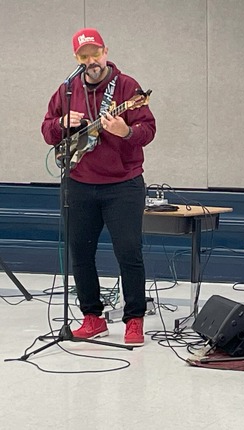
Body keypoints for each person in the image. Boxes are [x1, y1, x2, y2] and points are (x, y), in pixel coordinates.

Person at [41, 28, 156, 345]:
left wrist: (125, 131)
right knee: (81, 253)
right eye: (83, 56)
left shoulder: (127, 88)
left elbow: (148, 128)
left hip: (123, 185)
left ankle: (134, 319)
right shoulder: (67, 89)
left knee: (129, 253)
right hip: (79, 184)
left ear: (105, 51)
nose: (91, 61)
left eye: (96, 53)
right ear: (76, 59)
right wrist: (61, 124)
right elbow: (47, 129)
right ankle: (91, 317)